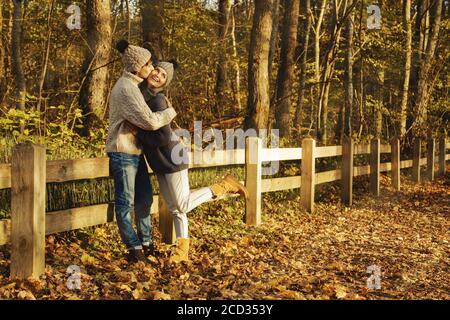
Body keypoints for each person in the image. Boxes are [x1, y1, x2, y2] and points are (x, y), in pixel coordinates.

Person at [137, 61, 249, 264]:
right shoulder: (145, 97)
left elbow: (161, 138)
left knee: (182, 204)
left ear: (164, 83)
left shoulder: (159, 101)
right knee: (175, 208)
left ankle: (224, 186)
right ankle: (182, 251)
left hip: (172, 158)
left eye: (163, 75)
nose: (158, 75)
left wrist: (138, 134)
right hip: (161, 162)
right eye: (157, 70)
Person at [106, 40, 177, 264]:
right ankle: (134, 249)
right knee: (125, 202)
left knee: (144, 199)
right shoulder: (126, 88)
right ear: (137, 67)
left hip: (134, 153)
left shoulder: (133, 86)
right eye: (148, 63)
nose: (151, 66)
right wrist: (170, 112)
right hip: (122, 151)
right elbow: (149, 121)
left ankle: (147, 244)